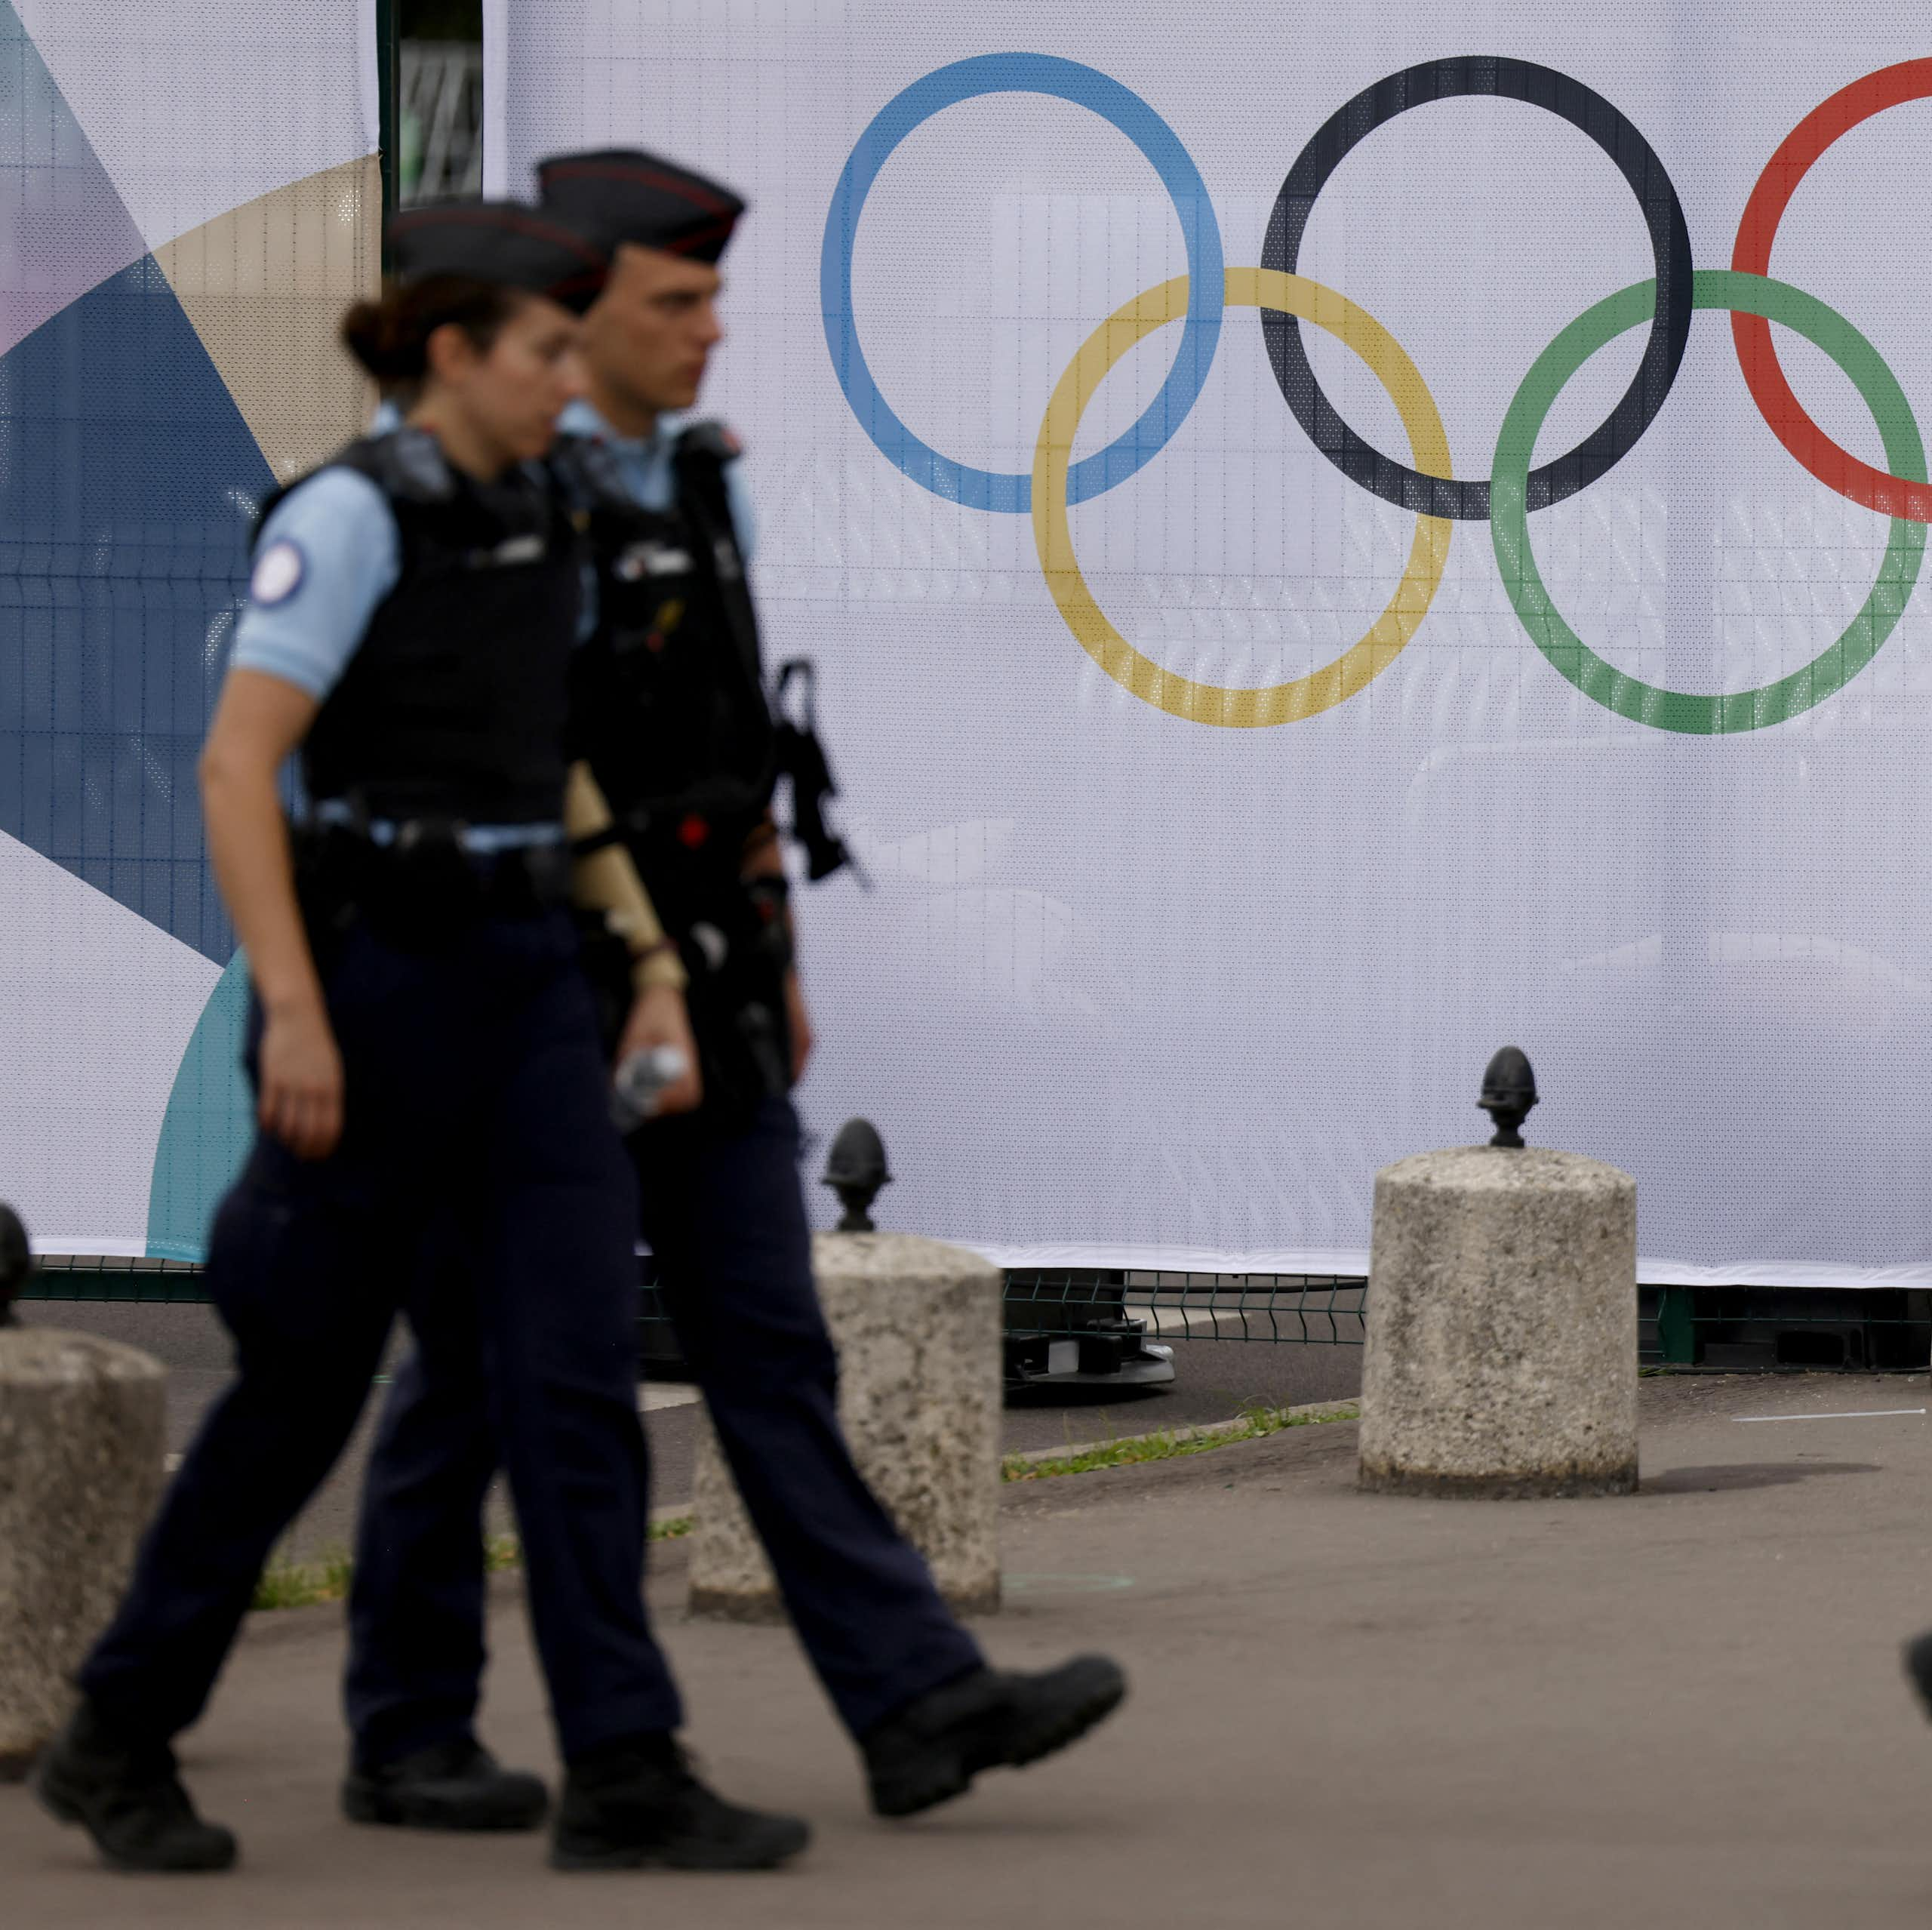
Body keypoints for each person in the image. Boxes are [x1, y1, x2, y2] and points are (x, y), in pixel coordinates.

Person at [341, 149, 1127, 1835]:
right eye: (672, 304)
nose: (708, 332)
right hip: (544, 991)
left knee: (768, 1346)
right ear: (576, 311)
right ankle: (409, 1722)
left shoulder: (703, 484)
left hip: (708, 977)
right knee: (488, 1364)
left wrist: (766, 960)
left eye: (710, 302)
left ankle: (915, 1703)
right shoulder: (496, 499)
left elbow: (728, 746)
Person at [32, 201, 808, 1876]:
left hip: (530, 979)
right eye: (541, 349)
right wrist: (296, 1010)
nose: (563, 380)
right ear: (452, 351)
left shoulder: (544, 511)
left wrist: (645, 959)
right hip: (375, 986)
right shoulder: (353, 520)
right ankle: (117, 1733)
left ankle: (622, 1765)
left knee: (575, 1375)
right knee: (297, 1394)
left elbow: (561, 766)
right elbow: (240, 768)